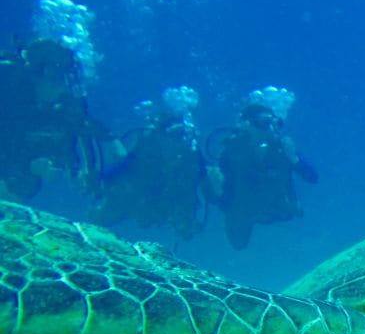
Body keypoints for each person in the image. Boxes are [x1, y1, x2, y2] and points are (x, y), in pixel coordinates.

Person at [91, 88, 213, 242]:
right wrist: (102, 181)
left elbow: (202, 188)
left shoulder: (192, 156)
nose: (179, 141)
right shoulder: (147, 148)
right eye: (173, 135)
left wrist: (192, 221)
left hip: (164, 202)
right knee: (102, 217)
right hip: (137, 197)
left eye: (182, 135)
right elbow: (123, 168)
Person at [0, 38, 113, 200]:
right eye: (55, 77)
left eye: (66, 79)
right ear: (34, 73)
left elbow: (79, 133)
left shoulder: (64, 106)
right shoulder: (7, 90)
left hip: (18, 167)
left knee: (25, 186)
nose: (61, 87)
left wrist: (62, 166)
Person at [208, 102, 318, 250]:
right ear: (248, 126)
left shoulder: (282, 148)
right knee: (238, 243)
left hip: (278, 208)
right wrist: (218, 191)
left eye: (276, 123)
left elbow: (312, 177)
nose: (272, 128)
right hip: (246, 209)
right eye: (265, 123)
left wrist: (295, 160)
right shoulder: (232, 154)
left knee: (292, 217)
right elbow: (226, 201)